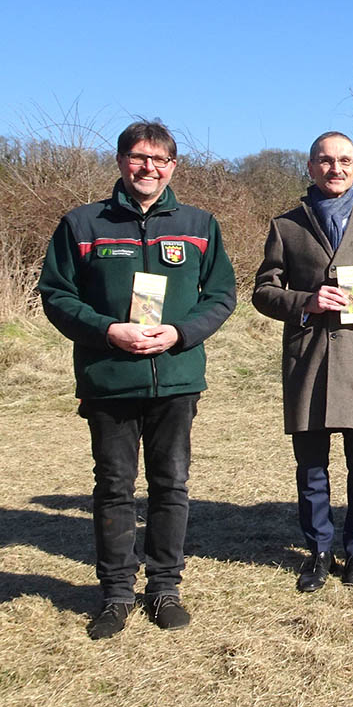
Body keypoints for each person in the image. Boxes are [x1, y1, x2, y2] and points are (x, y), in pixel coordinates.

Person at [38, 120, 236, 639]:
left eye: (159, 160)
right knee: (114, 487)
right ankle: (117, 593)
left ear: (173, 166)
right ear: (122, 161)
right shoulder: (83, 224)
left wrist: (179, 332)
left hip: (175, 380)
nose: (148, 168)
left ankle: (165, 587)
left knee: (171, 485)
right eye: (138, 157)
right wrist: (108, 331)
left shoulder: (198, 224)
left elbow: (221, 295)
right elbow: (57, 296)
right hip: (109, 379)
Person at [252, 131, 353, 592]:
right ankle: (318, 552)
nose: (335, 168)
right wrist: (306, 301)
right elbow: (263, 291)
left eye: (345, 161)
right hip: (310, 364)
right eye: (325, 160)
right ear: (310, 167)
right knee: (312, 467)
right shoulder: (286, 226)